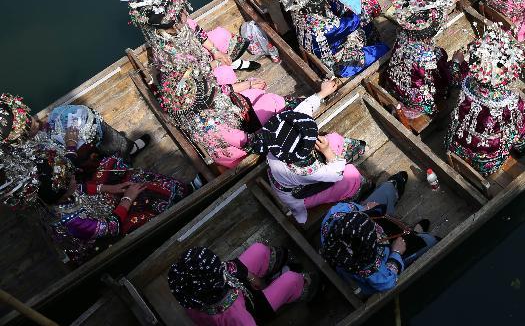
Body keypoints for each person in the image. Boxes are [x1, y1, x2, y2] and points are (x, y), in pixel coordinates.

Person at [32, 146, 188, 265]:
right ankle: (184, 206)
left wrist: (109, 188)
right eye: (71, 179)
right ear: (63, 192)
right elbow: (112, 227)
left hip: (94, 209)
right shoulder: (73, 223)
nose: (74, 177)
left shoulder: (59, 196)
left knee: (118, 170)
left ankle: (177, 192)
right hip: (103, 238)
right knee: (143, 198)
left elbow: (81, 187)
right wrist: (127, 198)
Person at [121, 0, 272, 81]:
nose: (186, 12)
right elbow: (190, 75)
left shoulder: (182, 24)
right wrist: (216, 63)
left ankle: (231, 62)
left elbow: (198, 32)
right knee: (226, 75)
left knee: (221, 34)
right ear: (174, 24)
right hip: (196, 72)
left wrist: (215, 51)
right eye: (181, 12)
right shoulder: (167, 52)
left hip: (199, 53)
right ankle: (233, 66)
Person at [253, 82, 370, 225]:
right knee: (350, 175)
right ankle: (353, 190)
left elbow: (304, 109)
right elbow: (336, 174)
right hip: (299, 194)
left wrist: (322, 93)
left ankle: (345, 154)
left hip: (286, 178)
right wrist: (327, 151)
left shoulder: (280, 136)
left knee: (332, 139)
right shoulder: (304, 170)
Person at [320, 171, 437, 295]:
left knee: (388, 189)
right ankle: (418, 234)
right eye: (375, 233)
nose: (377, 230)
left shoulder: (336, 216)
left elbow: (353, 209)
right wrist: (396, 253)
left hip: (366, 221)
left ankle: (395, 185)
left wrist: (366, 209)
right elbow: (387, 282)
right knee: (430, 241)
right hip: (390, 252)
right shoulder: (369, 269)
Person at [446, 23, 525, 176]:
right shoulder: (510, 103)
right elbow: (521, 132)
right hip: (485, 162)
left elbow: (455, 76)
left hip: (455, 146)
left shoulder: (466, 82)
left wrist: (455, 63)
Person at [277, 0, 388, 78]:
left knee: (365, 24)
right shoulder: (323, 27)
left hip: (327, 45)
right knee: (382, 49)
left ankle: (370, 43)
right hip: (337, 62)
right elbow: (353, 21)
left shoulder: (297, 9)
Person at [168, 244, 316, 325]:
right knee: (292, 280)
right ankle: (307, 287)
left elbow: (224, 269)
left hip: (236, 291)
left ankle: (276, 273)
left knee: (259, 250)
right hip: (253, 310)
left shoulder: (188, 286)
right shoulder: (237, 317)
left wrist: (248, 276)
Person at [386, 0, 460, 119]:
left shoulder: (405, 31)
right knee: (443, 61)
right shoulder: (425, 56)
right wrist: (456, 64)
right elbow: (442, 80)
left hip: (394, 82)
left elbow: (425, 6)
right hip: (415, 98)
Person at [1, 93, 150, 161]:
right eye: (30, 127)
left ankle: (125, 149)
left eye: (30, 120)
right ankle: (127, 152)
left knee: (103, 136)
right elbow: (65, 165)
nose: (33, 120)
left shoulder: (55, 116)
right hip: (81, 161)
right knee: (107, 146)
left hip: (86, 144)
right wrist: (71, 146)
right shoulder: (27, 156)